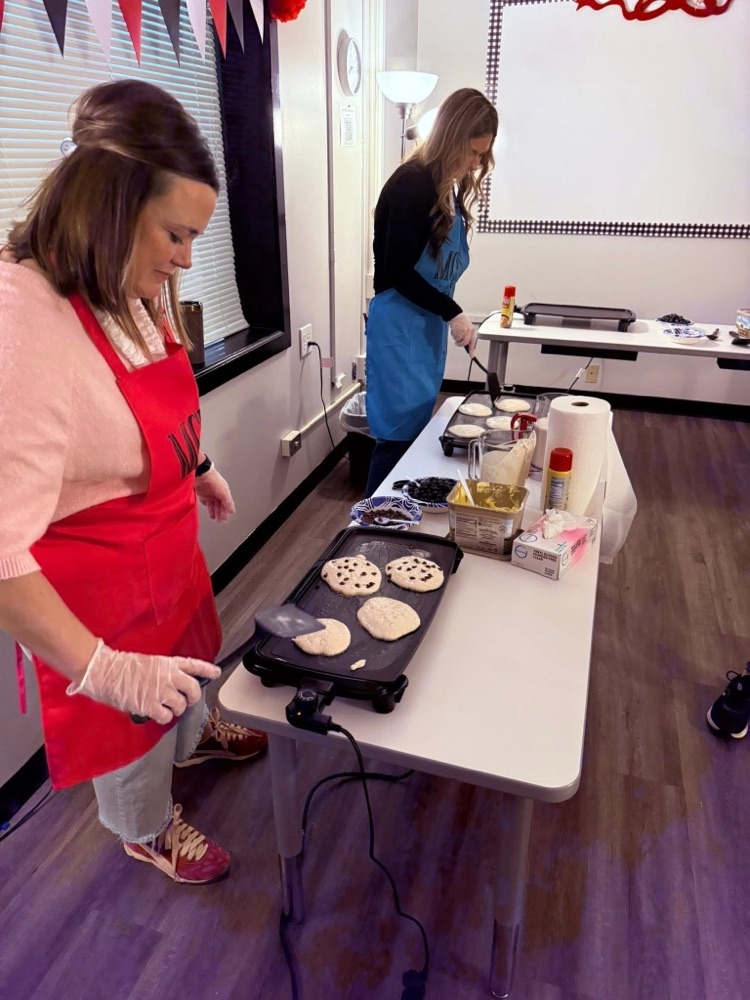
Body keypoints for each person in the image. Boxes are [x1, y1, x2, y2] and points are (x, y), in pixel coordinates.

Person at [0, 79, 267, 885]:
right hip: (102, 589)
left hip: (164, 550)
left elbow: (131, 409)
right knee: (132, 721)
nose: (187, 259)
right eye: (177, 234)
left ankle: (194, 738)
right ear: (112, 204)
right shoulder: (25, 320)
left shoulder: (123, 282)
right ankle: (146, 827)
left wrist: (201, 467)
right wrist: (106, 670)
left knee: (187, 671)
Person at [363, 88, 499, 497]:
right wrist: (452, 311)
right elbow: (397, 271)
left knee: (416, 432)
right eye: (472, 153)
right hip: (400, 327)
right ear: (452, 137)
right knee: (396, 440)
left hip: (423, 328)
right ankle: (368, 529)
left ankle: (404, 517)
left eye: (482, 155)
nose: (476, 163)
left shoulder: (447, 186)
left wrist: (446, 314)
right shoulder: (413, 184)